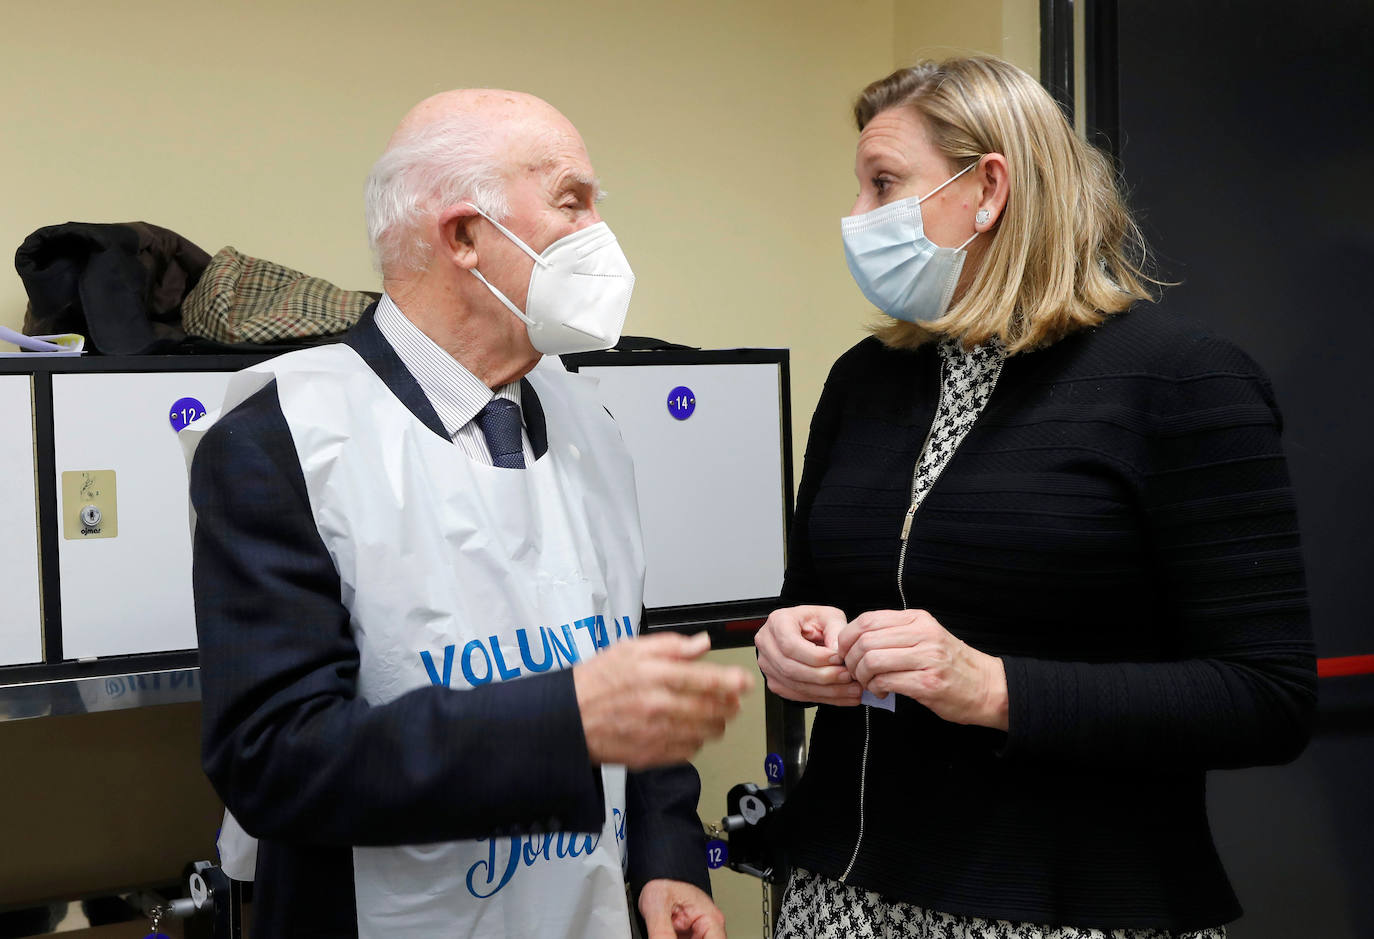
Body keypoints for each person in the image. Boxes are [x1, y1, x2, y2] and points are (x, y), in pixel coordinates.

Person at [755, 56, 1316, 939]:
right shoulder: (865, 381)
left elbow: (1265, 697)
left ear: (988, 189)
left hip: (1068, 906)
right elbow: (809, 595)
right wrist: (785, 641)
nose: (855, 218)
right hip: (845, 895)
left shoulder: (1180, 381)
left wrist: (994, 687)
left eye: (884, 185)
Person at [188, 89, 750, 939]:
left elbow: (627, 681)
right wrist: (562, 723)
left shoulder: (588, 428)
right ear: (463, 237)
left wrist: (667, 860)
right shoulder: (284, 439)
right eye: (573, 200)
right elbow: (273, 760)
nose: (601, 232)